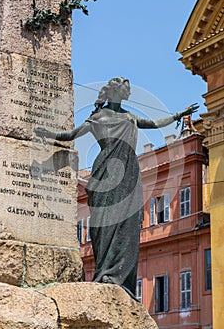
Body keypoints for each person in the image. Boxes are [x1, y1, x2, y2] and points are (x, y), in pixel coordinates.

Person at [34, 77, 199, 300]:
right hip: (106, 171)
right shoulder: (98, 118)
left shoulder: (129, 117)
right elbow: (70, 136)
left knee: (127, 225)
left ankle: (120, 278)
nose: (128, 94)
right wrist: (48, 134)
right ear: (114, 92)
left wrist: (178, 116)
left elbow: (154, 123)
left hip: (129, 173)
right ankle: (104, 271)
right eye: (125, 90)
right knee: (103, 223)